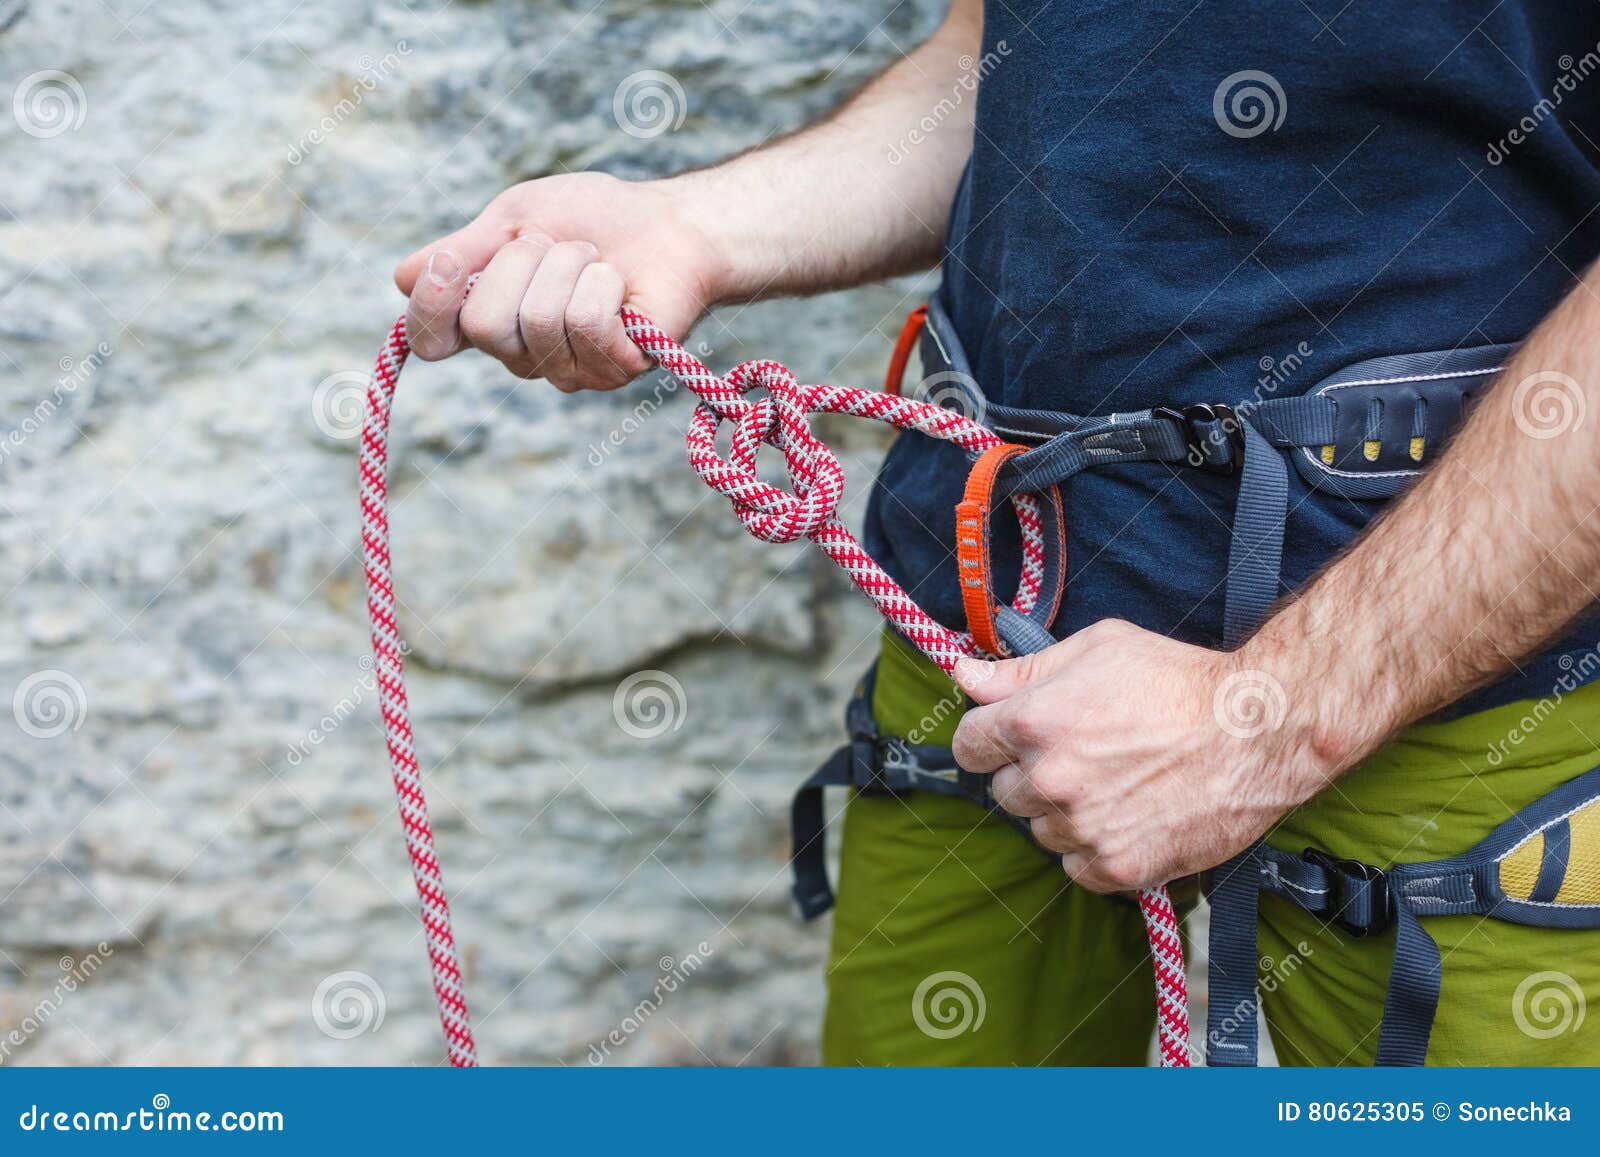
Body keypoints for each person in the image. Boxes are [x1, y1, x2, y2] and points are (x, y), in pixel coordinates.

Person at [395, 1, 1600, 1065]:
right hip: (974, 631)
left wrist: (1275, 716)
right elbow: (1006, 58)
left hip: (1441, 674)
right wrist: (695, 226)